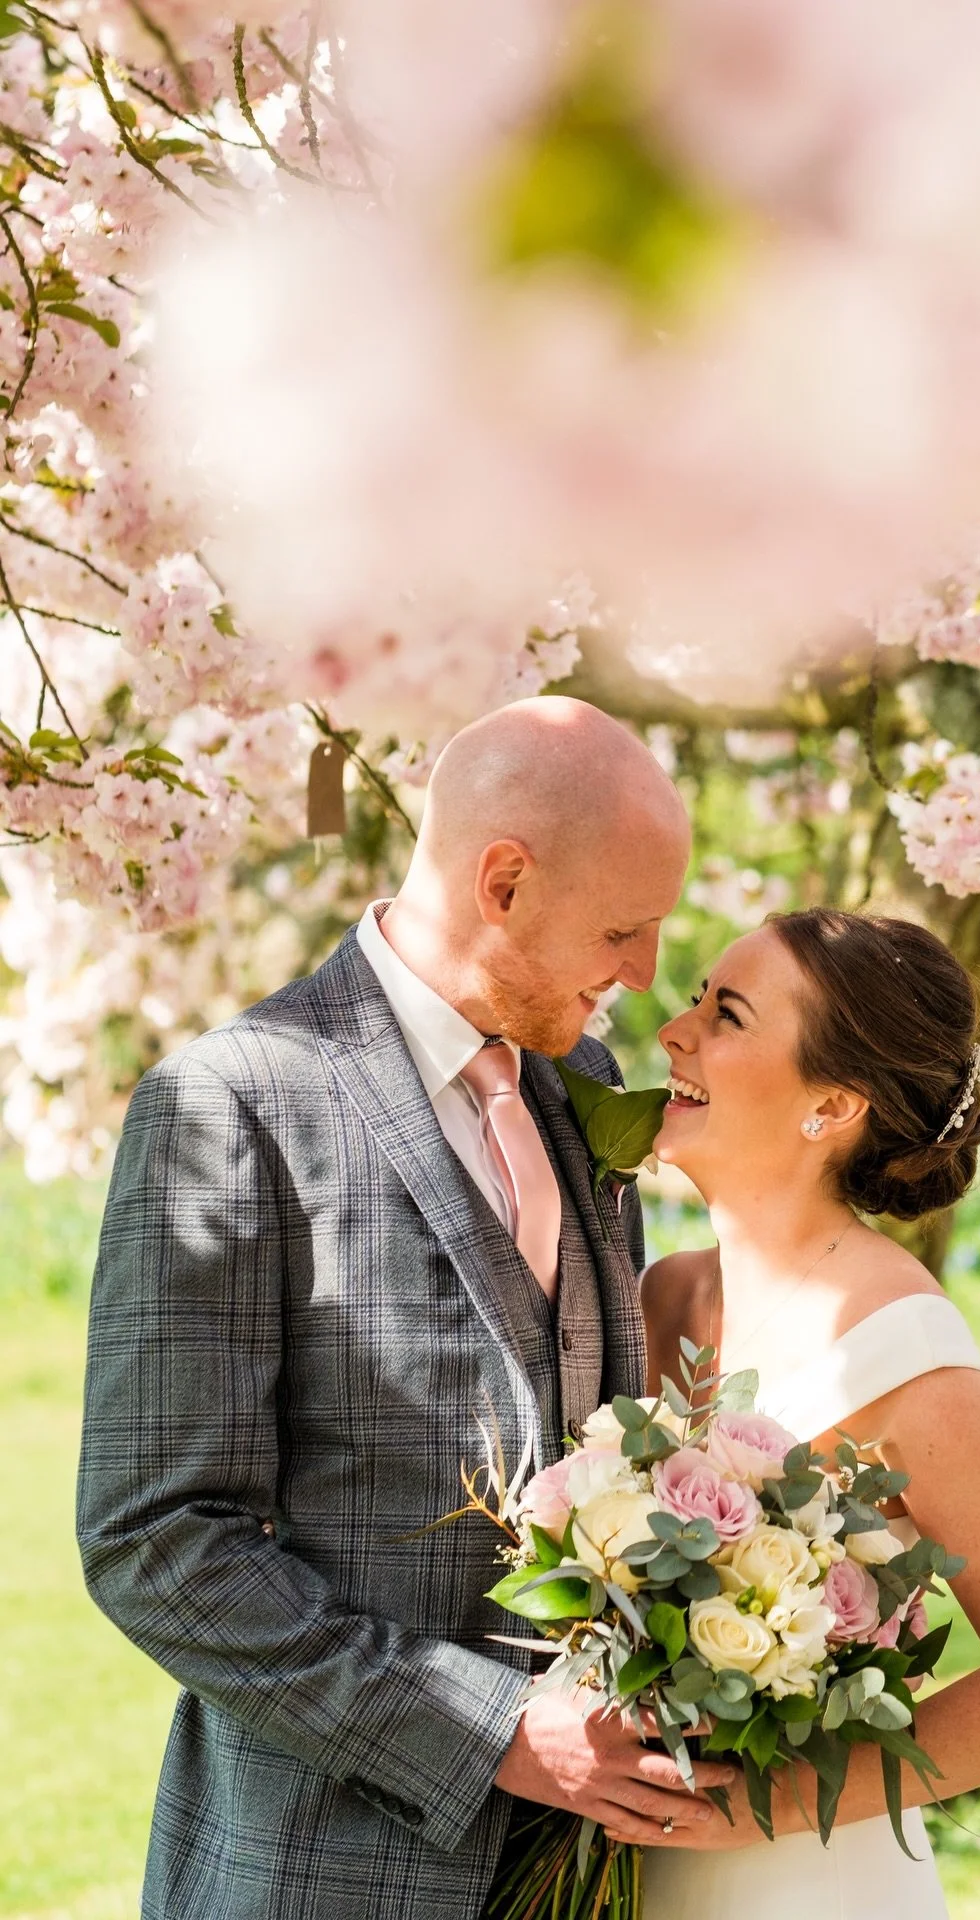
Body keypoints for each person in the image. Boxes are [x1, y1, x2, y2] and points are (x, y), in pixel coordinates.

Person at [76, 696, 737, 1920]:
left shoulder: (583, 1083)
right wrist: (493, 1732)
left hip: (593, 1879)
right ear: (504, 881)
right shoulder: (232, 1106)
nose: (645, 975)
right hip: (318, 1874)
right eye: (625, 928)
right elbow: (154, 1540)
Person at [638, 908, 980, 1919]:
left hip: (800, 1878)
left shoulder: (897, 1343)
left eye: (725, 1014)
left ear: (833, 1103)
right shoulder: (655, 1295)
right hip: (621, 1862)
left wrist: (770, 1805)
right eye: (693, 1000)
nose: (673, 1033)